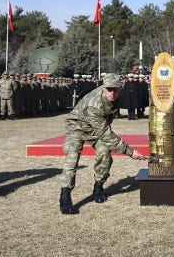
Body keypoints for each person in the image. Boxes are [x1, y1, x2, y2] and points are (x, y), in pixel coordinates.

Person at [59, 73, 146, 214]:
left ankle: (98, 187)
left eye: (115, 89)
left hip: (95, 128)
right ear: (103, 87)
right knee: (72, 157)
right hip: (77, 126)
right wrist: (130, 151)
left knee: (105, 153)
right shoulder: (95, 104)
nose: (112, 93)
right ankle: (65, 196)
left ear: (120, 88)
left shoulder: (118, 96)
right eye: (109, 89)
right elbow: (105, 134)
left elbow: (105, 123)